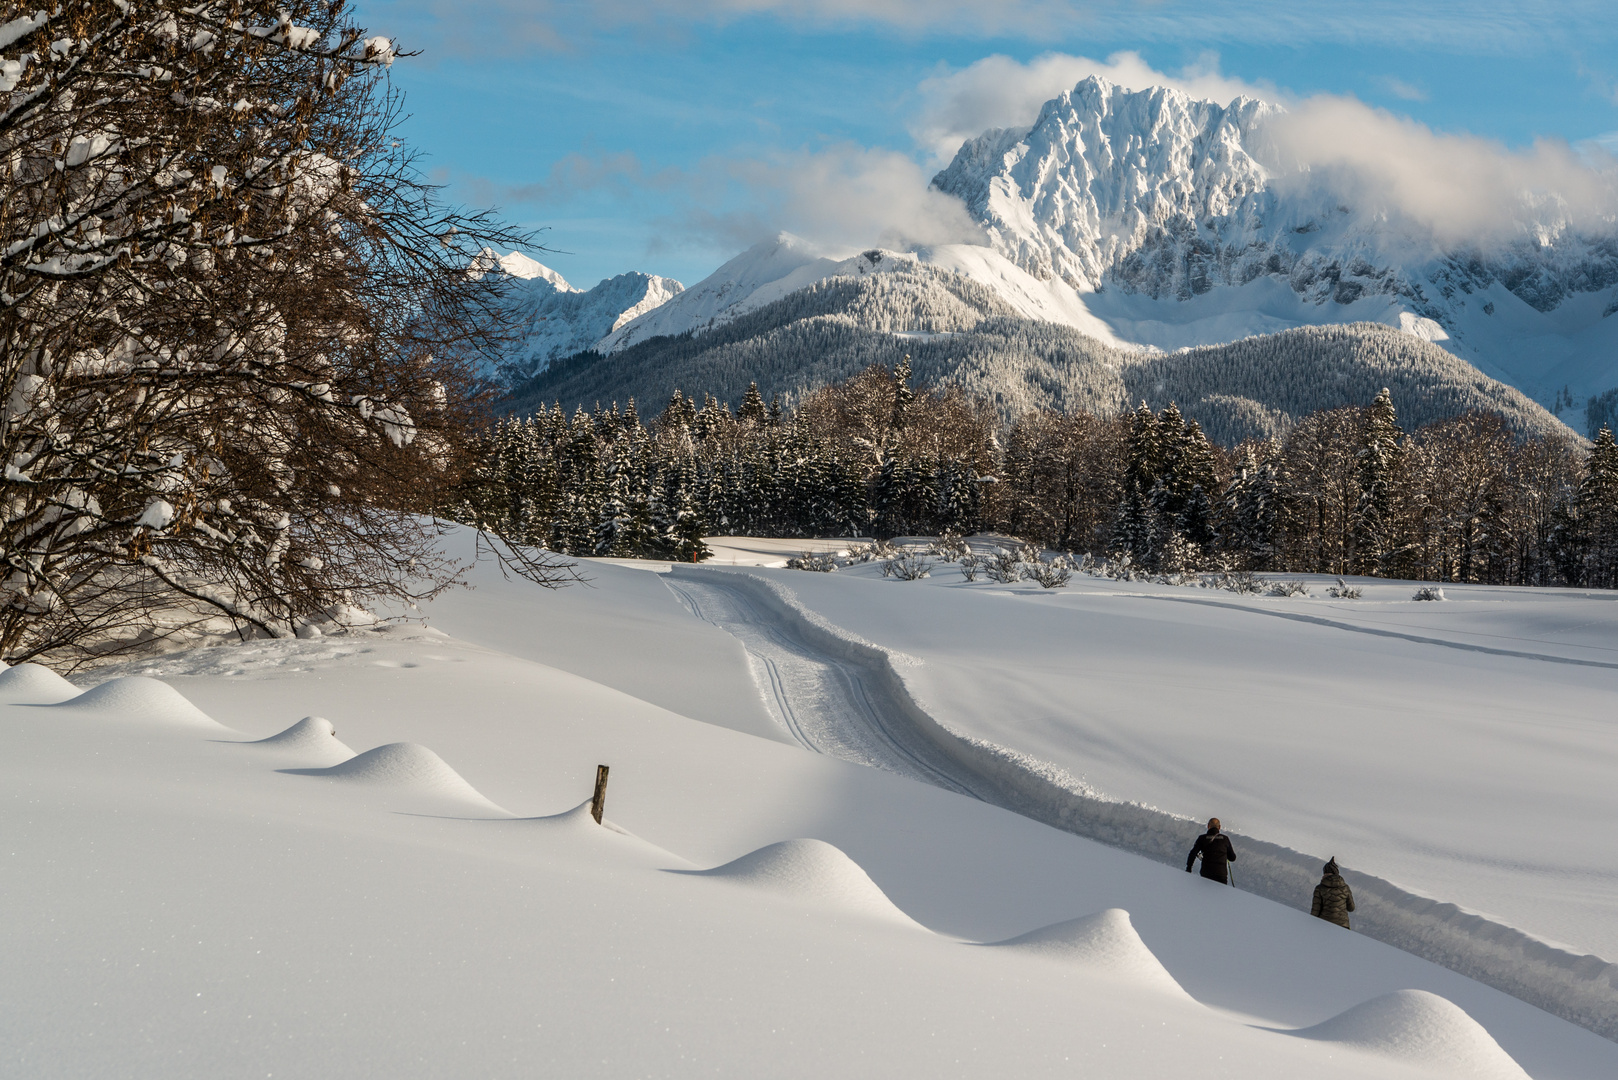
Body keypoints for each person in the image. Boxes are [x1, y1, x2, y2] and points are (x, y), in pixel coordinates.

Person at [1185, 818, 1237, 884]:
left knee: (1205, 893)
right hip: (1221, 874)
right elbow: (1232, 858)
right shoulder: (1225, 839)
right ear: (1219, 827)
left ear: (1208, 826)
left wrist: (1189, 868)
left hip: (1206, 872)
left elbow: (1193, 853)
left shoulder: (1202, 838)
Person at [1311, 857, 1355, 929]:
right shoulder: (1345, 887)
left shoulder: (1319, 888)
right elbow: (1351, 908)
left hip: (1324, 924)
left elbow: (1315, 911)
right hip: (1343, 926)